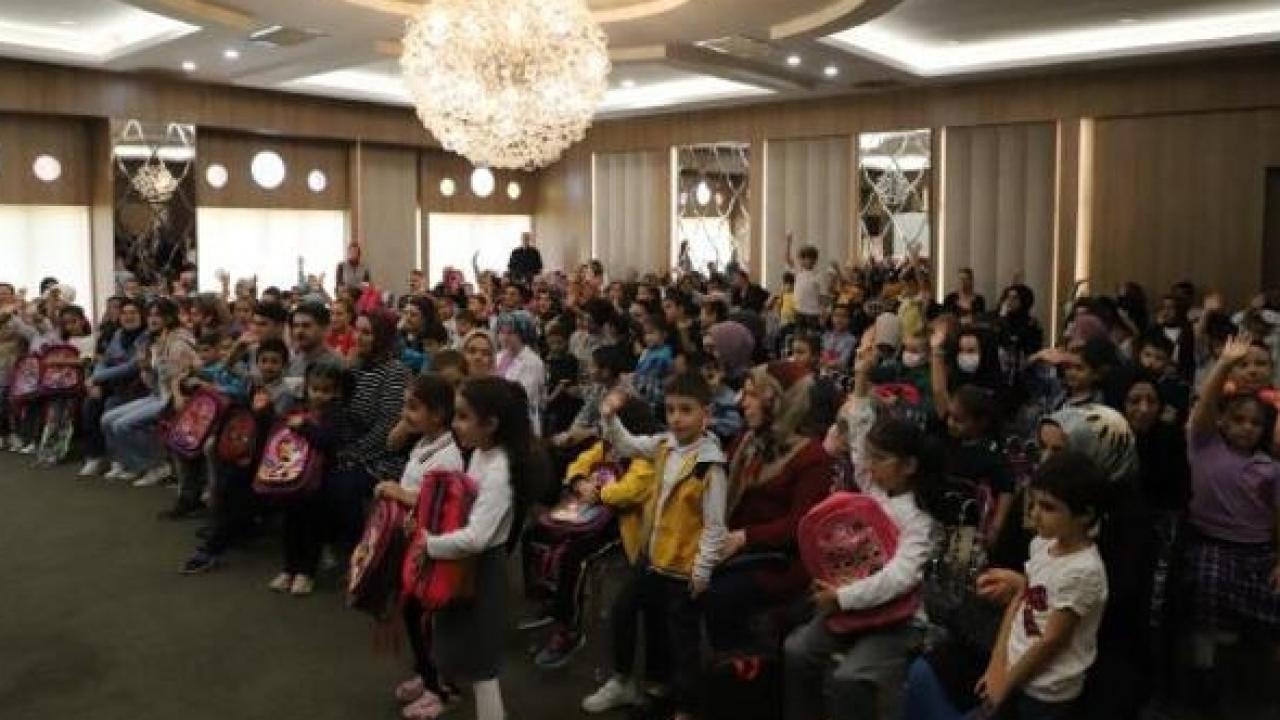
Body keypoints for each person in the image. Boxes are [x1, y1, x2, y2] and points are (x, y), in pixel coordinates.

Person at [784, 341, 940, 720]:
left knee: (849, 679)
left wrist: (843, 597)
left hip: (898, 620)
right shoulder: (876, 491)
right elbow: (858, 434)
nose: (869, 466)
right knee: (797, 651)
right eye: (871, 458)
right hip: (850, 602)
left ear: (909, 466)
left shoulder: (920, 520)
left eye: (881, 459)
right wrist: (860, 377)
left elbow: (900, 577)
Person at [584, 371, 728, 720]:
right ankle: (628, 682)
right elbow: (628, 445)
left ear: (706, 414)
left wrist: (702, 569)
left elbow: (714, 525)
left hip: (683, 569)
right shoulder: (665, 444)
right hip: (653, 558)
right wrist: (609, 417)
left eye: (686, 410)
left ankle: (685, 707)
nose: (676, 418)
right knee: (624, 610)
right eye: (671, 409)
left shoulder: (709, 464)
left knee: (683, 642)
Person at [423, 376, 542, 720]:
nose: (454, 424)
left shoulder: (499, 471)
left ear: (490, 424)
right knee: (472, 659)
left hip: (481, 571)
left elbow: (477, 537)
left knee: (483, 667)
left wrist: (429, 544)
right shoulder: (480, 453)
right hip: (467, 566)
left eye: (463, 416)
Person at [524, 398, 659, 669]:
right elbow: (580, 462)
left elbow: (631, 490)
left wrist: (596, 492)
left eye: (611, 423)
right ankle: (551, 599)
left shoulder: (645, 455)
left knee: (575, 559)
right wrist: (578, 481)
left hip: (619, 527)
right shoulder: (606, 446)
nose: (603, 429)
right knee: (534, 535)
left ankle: (569, 630)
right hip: (588, 515)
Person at [1183, 332, 1280, 709]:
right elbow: (1205, 406)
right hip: (1212, 545)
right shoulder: (1205, 445)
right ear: (1222, 421)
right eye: (1237, 420)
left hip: (1258, 551)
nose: (1246, 427)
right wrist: (1224, 363)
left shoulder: (1269, 466)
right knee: (1208, 609)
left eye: (1255, 423)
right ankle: (1204, 677)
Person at [704, 361, 829, 652]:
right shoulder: (751, 441)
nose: (742, 403)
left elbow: (799, 525)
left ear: (778, 402)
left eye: (752, 394)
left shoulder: (812, 457)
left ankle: (738, 667)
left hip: (779, 561)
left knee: (719, 595)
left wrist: (743, 538)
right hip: (739, 546)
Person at [976, 451, 1110, 720]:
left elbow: (1052, 641)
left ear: (1085, 515)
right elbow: (1021, 599)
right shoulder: (1042, 544)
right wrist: (997, 663)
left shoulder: (1083, 572)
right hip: (1015, 672)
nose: (1034, 514)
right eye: (1034, 503)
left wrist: (1005, 686)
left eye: (1048, 508)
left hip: (1046, 693)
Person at [373, 373, 467, 720]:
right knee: (414, 616)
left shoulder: (448, 458)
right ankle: (426, 675)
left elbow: (438, 505)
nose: (405, 414)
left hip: (433, 553)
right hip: (416, 546)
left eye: (413, 407)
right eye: (404, 405)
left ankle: (442, 690)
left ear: (438, 415)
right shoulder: (427, 444)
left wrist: (398, 493)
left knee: (428, 621)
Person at [267, 359, 345, 596]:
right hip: (293, 477)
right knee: (290, 525)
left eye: (326, 390)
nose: (319, 395)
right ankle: (289, 569)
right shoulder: (299, 408)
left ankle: (306, 572)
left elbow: (327, 440)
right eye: (315, 389)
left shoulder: (335, 414)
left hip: (318, 482)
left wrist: (304, 427)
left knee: (312, 528)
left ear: (336, 391)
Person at [79, 298, 148, 476]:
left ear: (142, 315)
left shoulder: (146, 336)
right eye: (124, 313)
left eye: (133, 313)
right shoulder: (118, 334)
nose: (128, 317)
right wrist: (96, 382)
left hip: (138, 387)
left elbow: (132, 367)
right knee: (90, 404)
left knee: (111, 406)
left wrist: (96, 377)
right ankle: (95, 456)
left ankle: (120, 459)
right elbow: (104, 360)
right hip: (114, 384)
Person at [494, 310, 546, 433]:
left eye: (510, 333)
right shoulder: (498, 356)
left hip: (522, 423)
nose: (504, 337)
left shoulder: (533, 362)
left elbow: (524, 395)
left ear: (523, 334)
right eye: (501, 332)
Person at [785, 233, 824, 331]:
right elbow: (788, 260)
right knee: (799, 334)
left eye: (810, 258)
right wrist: (788, 242)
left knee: (812, 335)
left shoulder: (818, 275)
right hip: (799, 310)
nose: (807, 261)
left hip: (813, 312)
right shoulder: (798, 271)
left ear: (815, 260)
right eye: (804, 258)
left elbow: (822, 296)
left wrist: (823, 312)